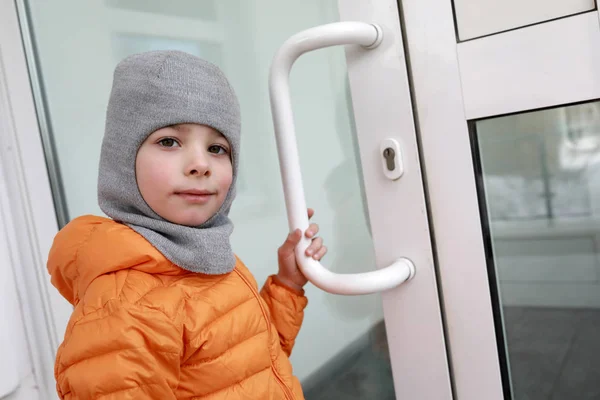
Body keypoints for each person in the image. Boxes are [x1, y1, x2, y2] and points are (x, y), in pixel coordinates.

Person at [46, 50, 326, 399]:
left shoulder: (203, 254)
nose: (199, 164)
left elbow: (248, 364)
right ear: (122, 160)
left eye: (217, 148)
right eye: (169, 141)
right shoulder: (131, 301)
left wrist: (287, 285)